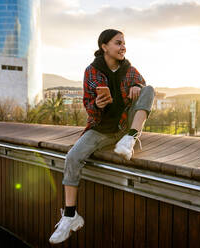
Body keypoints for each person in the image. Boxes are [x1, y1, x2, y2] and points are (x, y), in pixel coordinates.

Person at [49, 29, 155, 244]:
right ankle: (70, 216)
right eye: (118, 43)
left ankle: (131, 138)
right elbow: (89, 106)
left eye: (124, 43)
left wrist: (137, 86)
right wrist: (97, 105)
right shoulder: (92, 72)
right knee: (72, 157)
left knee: (149, 89)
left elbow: (143, 85)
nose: (123, 46)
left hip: (124, 127)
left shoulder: (129, 69)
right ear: (104, 46)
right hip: (101, 129)